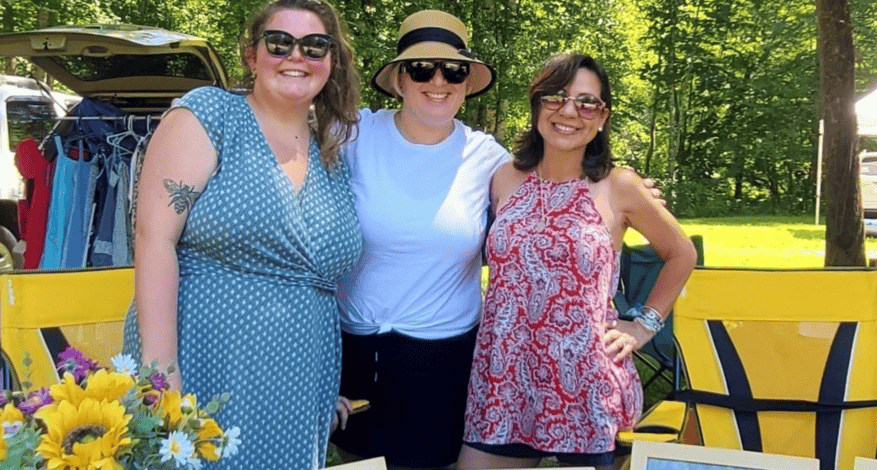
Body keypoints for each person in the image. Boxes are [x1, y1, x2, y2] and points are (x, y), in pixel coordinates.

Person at [330, 11, 663, 470]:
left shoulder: (488, 158)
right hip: (358, 347)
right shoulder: (349, 136)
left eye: (455, 70)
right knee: (359, 463)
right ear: (399, 79)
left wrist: (642, 317)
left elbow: (566, 189)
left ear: (468, 82)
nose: (439, 80)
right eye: (423, 68)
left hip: (445, 354)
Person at [121, 0, 362, 468]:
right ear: (252, 55)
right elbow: (154, 240)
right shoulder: (210, 116)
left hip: (296, 383)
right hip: (204, 359)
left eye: (315, 46)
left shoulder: (330, 152)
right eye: (279, 43)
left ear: (330, 62)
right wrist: (159, 373)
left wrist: (324, 386)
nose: (297, 56)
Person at [457, 53, 697, 470]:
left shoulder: (619, 186)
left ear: (602, 117)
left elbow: (681, 254)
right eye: (555, 97)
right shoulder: (504, 177)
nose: (569, 111)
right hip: (504, 380)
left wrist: (643, 325)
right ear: (536, 107)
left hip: (586, 383)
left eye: (587, 103)